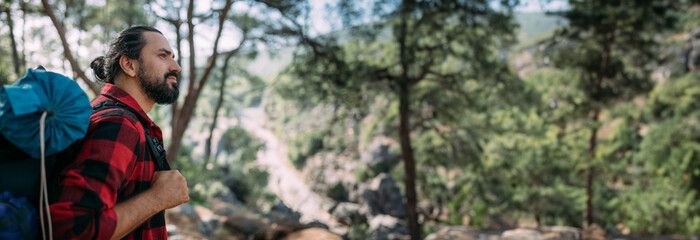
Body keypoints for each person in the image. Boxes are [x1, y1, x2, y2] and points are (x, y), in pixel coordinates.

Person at [49, 26, 189, 240]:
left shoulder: (112, 115)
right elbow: (72, 229)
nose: (176, 67)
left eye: (174, 58)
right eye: (163, 55)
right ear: (129, 65)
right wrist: (157, 198)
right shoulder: (119, 124)